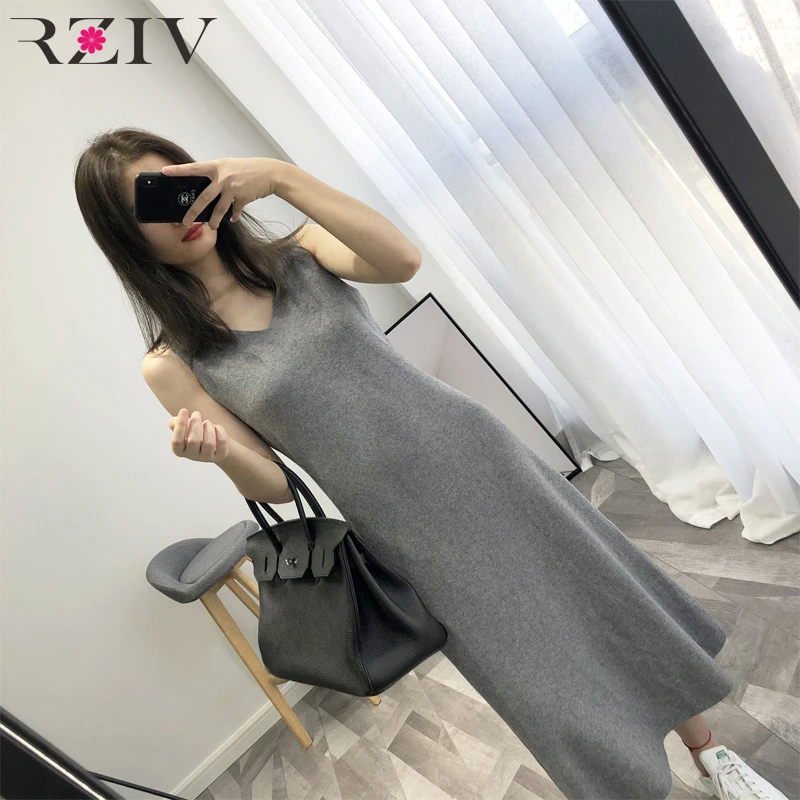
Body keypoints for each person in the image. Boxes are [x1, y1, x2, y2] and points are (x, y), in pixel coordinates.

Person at [74, 127, 788, 800]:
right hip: (404, 527)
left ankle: (710, 754)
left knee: (600, 595)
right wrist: (222, 452)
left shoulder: (300, 255)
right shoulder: (174, 362)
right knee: (528, 672)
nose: (178, 212)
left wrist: (283, 177)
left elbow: (401, 261)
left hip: (478, 458)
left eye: (175, 185)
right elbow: (276, 485)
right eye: (145, 208)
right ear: (124, 237)